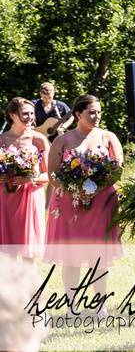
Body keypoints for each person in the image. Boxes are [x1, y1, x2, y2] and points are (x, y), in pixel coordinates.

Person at [44, 94, 124, 305]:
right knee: (71, 257)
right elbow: (52, 175)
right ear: (78, 114)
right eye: (92, 112)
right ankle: (71, 305)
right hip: (70, 205)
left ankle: (100, 305)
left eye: (99, 112)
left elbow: (117, 171)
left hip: (102, 204)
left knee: (99, 257)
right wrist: (73, 189)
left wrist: (97, 188)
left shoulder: (108, 138)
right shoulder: (62, 141)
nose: (97, 116)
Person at [0, 98, 50, 260]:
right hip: (5, 199)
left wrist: (31, 179)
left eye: (31, 113)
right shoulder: (1, 140)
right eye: (25, 114)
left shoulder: (38, 140)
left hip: (30, 198)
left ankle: (29, 285)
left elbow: (50, 174)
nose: (30, 117)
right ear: (13, 116)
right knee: (8, 255)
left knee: (29, 255)